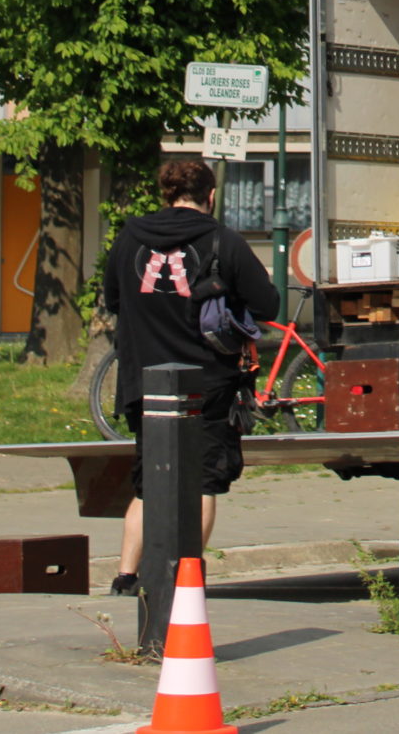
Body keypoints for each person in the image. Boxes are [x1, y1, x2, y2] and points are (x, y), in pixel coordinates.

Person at [102, 157, 279, 597]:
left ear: (165, 193)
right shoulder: (223, 240)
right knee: (203, 480)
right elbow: (268, 304)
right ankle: (186, 577)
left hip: (144, 379)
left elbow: (112, 299)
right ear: (211, 195)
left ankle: (126, 576)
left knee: (148, 480)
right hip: (209, 384)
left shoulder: (129, 238)